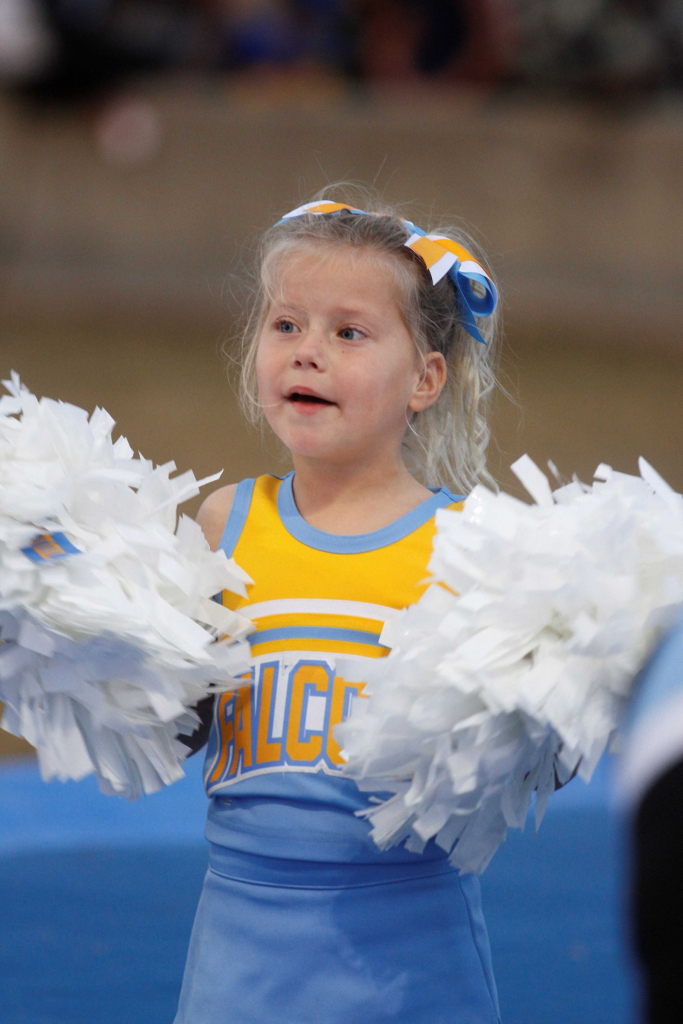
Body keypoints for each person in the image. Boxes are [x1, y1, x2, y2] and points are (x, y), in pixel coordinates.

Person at [174, 192, 502, 1024]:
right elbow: (174, 724)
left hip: (409, 956)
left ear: (425, 379)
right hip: (241, 957)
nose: (306, 353)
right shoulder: (223, 522)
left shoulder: (470, 543)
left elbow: (520, 758)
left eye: (348, 333)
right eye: (285, 325)